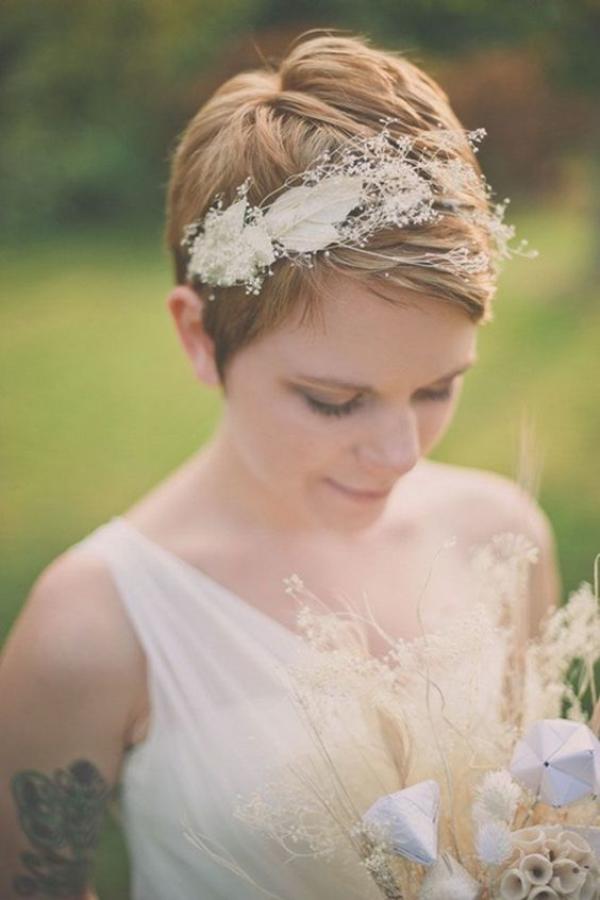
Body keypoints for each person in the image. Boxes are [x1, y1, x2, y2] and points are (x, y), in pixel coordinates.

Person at [0, 30, 561, 900]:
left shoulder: (502, 539)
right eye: (333, 401)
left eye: (438, 388)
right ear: (197, 334)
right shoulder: (90, 631)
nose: (399, 454)